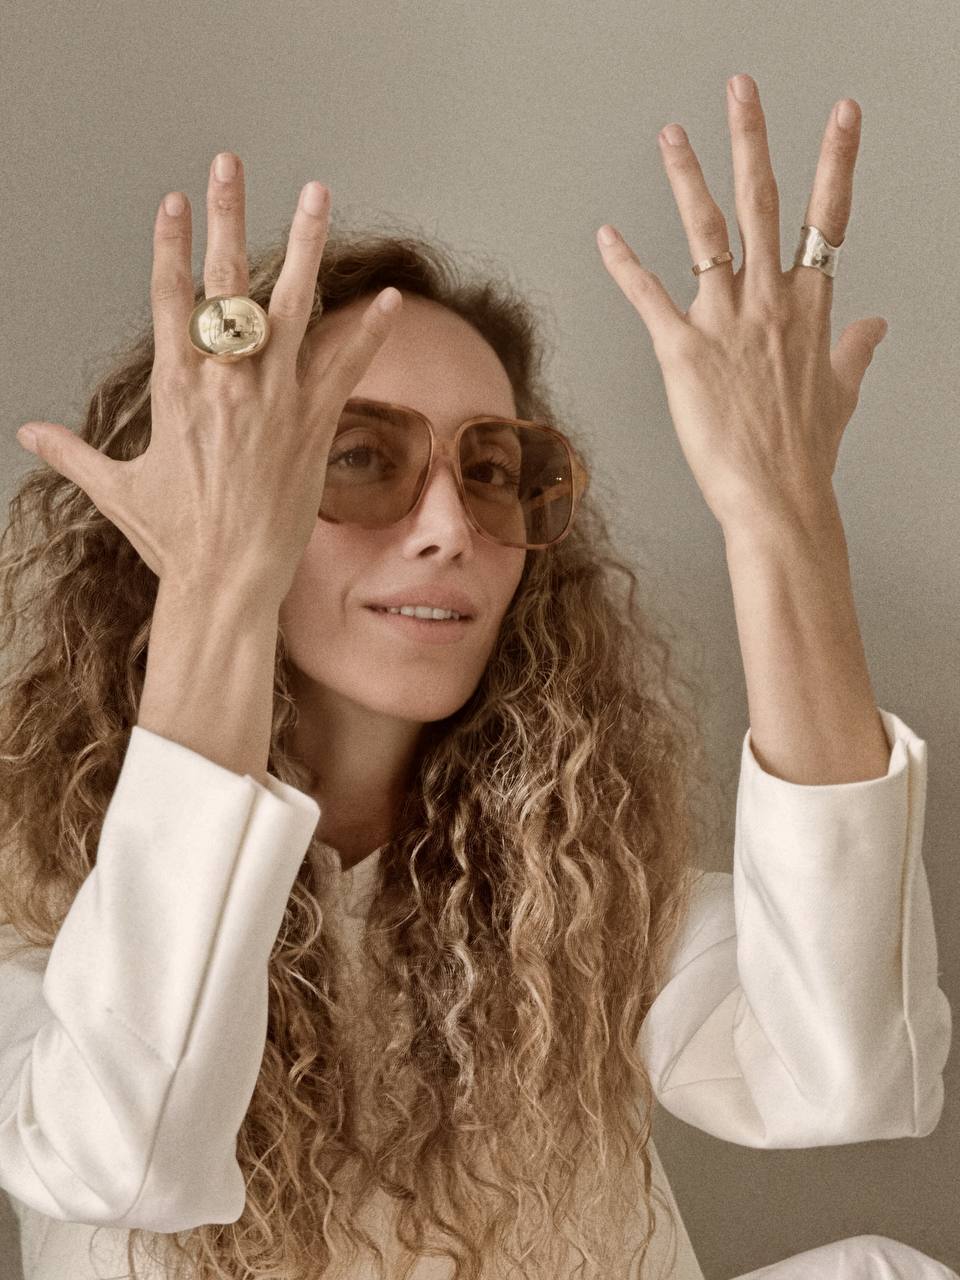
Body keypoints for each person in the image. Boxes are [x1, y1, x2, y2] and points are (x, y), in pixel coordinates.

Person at [0, 151, 953, 1280]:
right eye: (358, 456)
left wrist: (782, 510)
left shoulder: (580, 888)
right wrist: (217, 587)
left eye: (492, 467)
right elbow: (127, 1151)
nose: (450, 524)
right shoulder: (33, 900)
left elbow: (849, 1070)